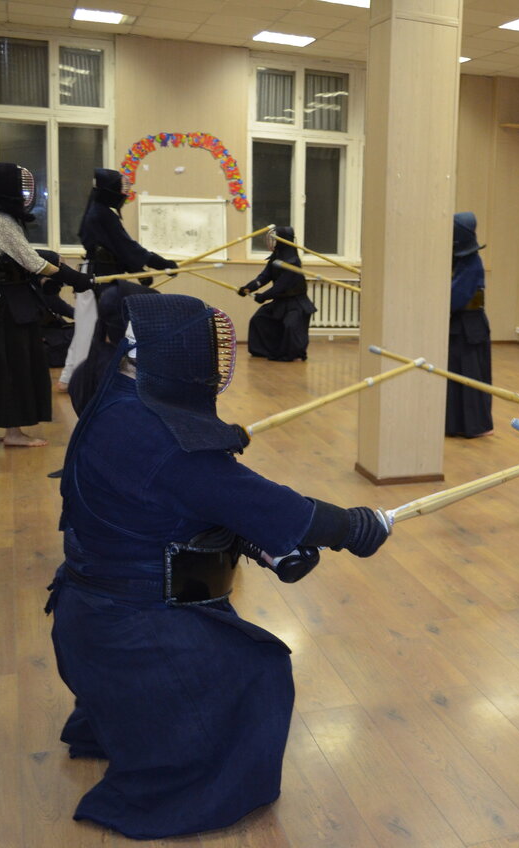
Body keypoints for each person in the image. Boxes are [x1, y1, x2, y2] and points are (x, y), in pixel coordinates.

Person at [45, 294, 390, 839]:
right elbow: (276, 508)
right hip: (127, 628)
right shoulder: (163, 443)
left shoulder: (115, 400)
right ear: (180, 357)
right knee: (258, 668)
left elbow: (178, 498)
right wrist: (353, 527)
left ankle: (130, 719)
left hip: (90, 618)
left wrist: (248, 527)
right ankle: (186, 779)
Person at [0, 162, 93, 447]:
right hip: (8, 303)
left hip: (4, 299)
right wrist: (75, 279)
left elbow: (18, 254)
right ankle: (13, 433)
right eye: (19, 188)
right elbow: (32, 262)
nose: (24, 194)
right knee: (14, 364)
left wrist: (53, 260)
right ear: (5, 189)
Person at [62, 168, 177, 410]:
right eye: (120, 188)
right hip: (97, 276)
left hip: (100, 272)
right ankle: (80, 380)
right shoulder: (102, 213)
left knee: (87, 326)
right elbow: (125, 246)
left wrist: (141, 270)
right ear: (109, 191)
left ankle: (70, 377)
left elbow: (116, 249)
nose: (124, 194)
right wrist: (159, 263)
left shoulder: (101, 211)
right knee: (88, 328)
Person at [236, 226, 316, 361]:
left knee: (290, 326)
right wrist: (248, 288)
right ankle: (264, 350)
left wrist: (263, 296)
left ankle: (291, 353)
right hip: (280, 302)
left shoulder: (293, 261)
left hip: (295, 303)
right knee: (259, 319)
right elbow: (264, 277)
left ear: (283, 240)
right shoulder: (276, 257)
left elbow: (280, 286)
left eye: (275, 239)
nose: (272, 242)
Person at [445, 212, 493, 437]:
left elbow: (455, 297)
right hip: (456, 325)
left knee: (471, 376)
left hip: (470, 327)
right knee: (454, 376)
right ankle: (454, 425)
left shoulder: (472, 262)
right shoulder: (455, 260)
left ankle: (476, 426)